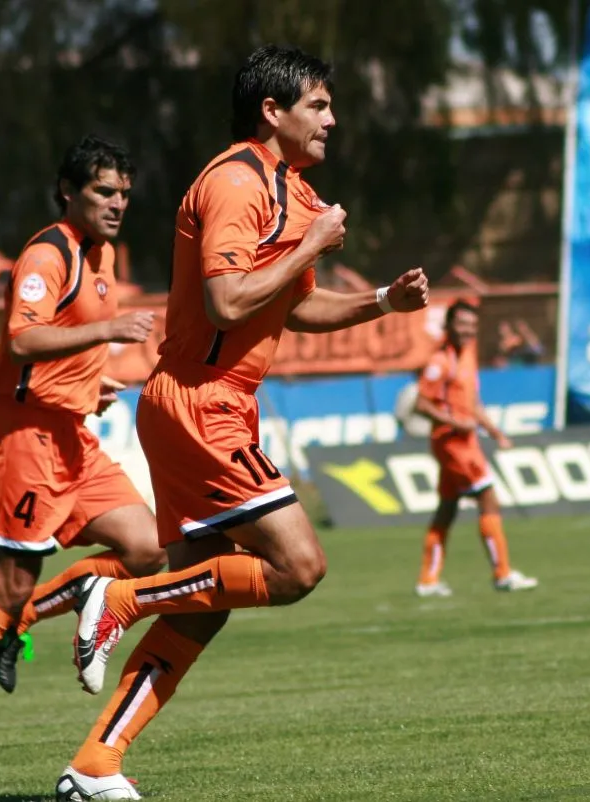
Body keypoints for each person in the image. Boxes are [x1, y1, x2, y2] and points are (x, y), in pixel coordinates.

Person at [54, 45, 430, 801]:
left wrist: (381, 301)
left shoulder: (294, 192)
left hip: (213, 405)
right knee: (299, 567)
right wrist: (317, 244)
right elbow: (228, 301)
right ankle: (120, 597)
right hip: (202, 403)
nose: (332, 118)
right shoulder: (234, 182)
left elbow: (294, 305)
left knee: (206, 612)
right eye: (319, 105)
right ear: (272, 110)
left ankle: (95, 762)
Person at [0, 135, 166, 755]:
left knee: (149, 547)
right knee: (8, 585)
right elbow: (22, 341)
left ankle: (31, 617)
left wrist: (88, 379)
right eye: (104, 191)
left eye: (124, 194)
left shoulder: (101, 255)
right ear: (68, 191)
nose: (117, 203)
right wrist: (110, 331)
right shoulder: (48, 255)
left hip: (72, 432)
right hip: (23, 437)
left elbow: (60, 345)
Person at [413, 300, 538, 597]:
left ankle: (428, 580)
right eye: (462, 324)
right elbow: (421, 403)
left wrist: (495, 432)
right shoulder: (440, 360)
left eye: (472, 325)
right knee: (488, 498)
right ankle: (502, 574)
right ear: (449, 327)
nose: (468, 330)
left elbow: (473, 403)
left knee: (447, 509)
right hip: (452, 442)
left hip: (464, 440)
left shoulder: (467, 354)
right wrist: (454, 421)